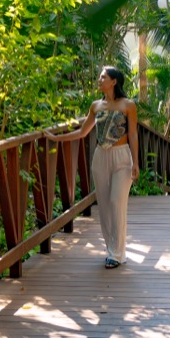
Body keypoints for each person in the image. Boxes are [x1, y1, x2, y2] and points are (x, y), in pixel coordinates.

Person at [47, 66, 139, 268]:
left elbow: (132, 134)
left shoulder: (128, 105)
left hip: (122, 156)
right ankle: (112, 250)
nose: (99, 80)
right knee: (105, 205)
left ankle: (117, 253)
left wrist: (136, 163)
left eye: (103, 77)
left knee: (116, 202)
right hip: (100, 156)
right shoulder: (95, 106)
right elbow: (82, 132)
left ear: (114, 81)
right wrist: (57, 138)